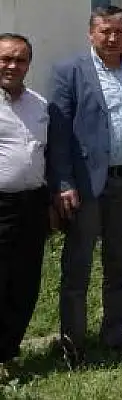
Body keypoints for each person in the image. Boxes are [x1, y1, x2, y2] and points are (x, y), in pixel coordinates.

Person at [48, 6, 122, 368]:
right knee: (78, 266)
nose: (113, 38)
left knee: (120, 264)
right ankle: (73, 344)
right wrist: (64, 182)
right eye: (105, 31)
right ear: (91, 34)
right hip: (85, 187)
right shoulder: (69, 72)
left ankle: (116, 337)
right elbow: (59, 134)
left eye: (120, 31)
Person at [0, 34, 50, 380]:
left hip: (32, 204)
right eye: (5, 59)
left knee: (25, 281)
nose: (12, 66)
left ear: (29, 64)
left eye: (19, 60)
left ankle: (8, 351)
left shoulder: (39, 104)